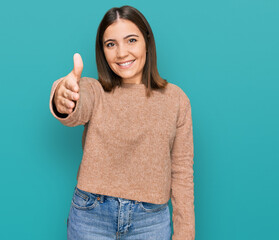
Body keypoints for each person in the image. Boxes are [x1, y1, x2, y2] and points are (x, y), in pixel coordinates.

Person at [49, 5, 195, 240]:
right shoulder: (94, 91)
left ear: (147, 41)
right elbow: (74, 104)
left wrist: (185, 232)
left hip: (151, 222)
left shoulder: (176, 99)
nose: (121, 53)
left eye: (131, 40)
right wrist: (63, 96)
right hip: (91, 216)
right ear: (103, 51)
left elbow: (182, 172)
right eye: (111, 44)